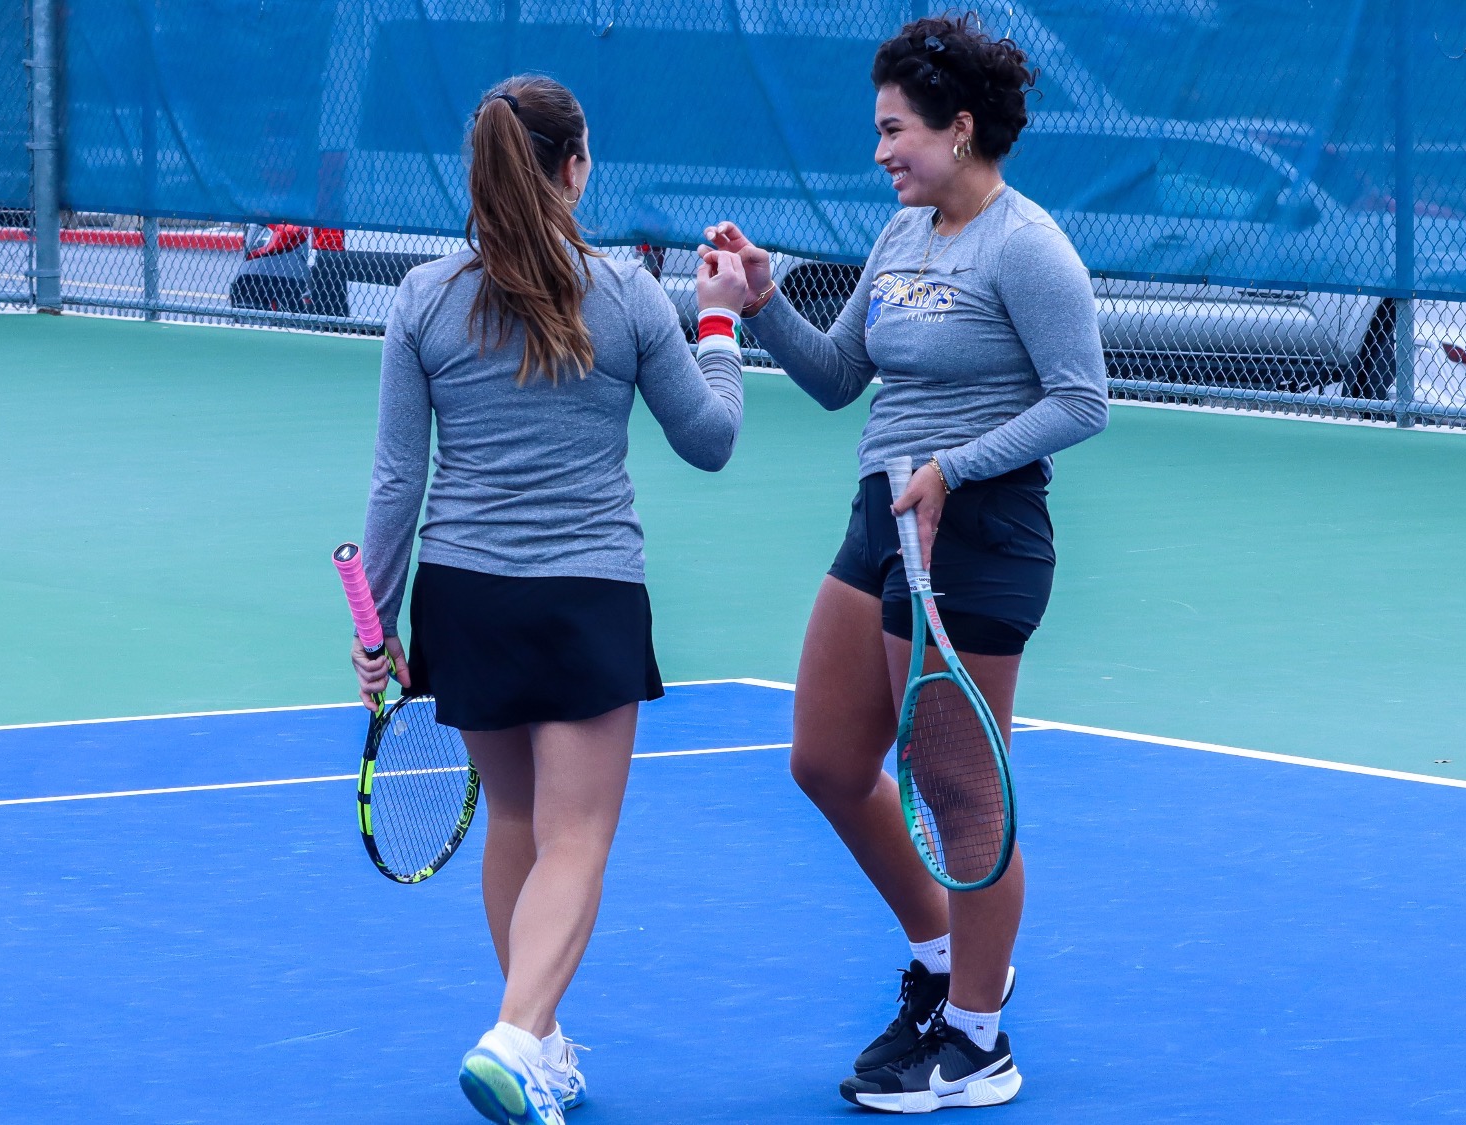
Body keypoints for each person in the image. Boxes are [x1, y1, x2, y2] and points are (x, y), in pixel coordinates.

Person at [702, 13, 1109, 1114]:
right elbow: (839, 379)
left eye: (894, 131)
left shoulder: (1026, 246)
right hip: (880, 519)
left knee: (960, 795)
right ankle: (942, 962)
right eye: (877, 131)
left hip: (975, 534)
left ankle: (979, 1038)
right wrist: (762, 302)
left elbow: (1082, 401)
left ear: (959, 127)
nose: (879, 151)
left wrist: (954, 468)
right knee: (826, 763)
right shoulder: (900, 238)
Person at [353, 75, 752, 1125]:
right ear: (576, 167)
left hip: (462, 600)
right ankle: (519, 1035)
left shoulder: (422, 298)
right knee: (574, 839)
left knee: (519, 823)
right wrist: (718, 320)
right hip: (584, 596)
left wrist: (379, 622)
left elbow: (399, 479)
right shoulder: (624, 295)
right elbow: (709, 440)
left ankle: (537, 1040)